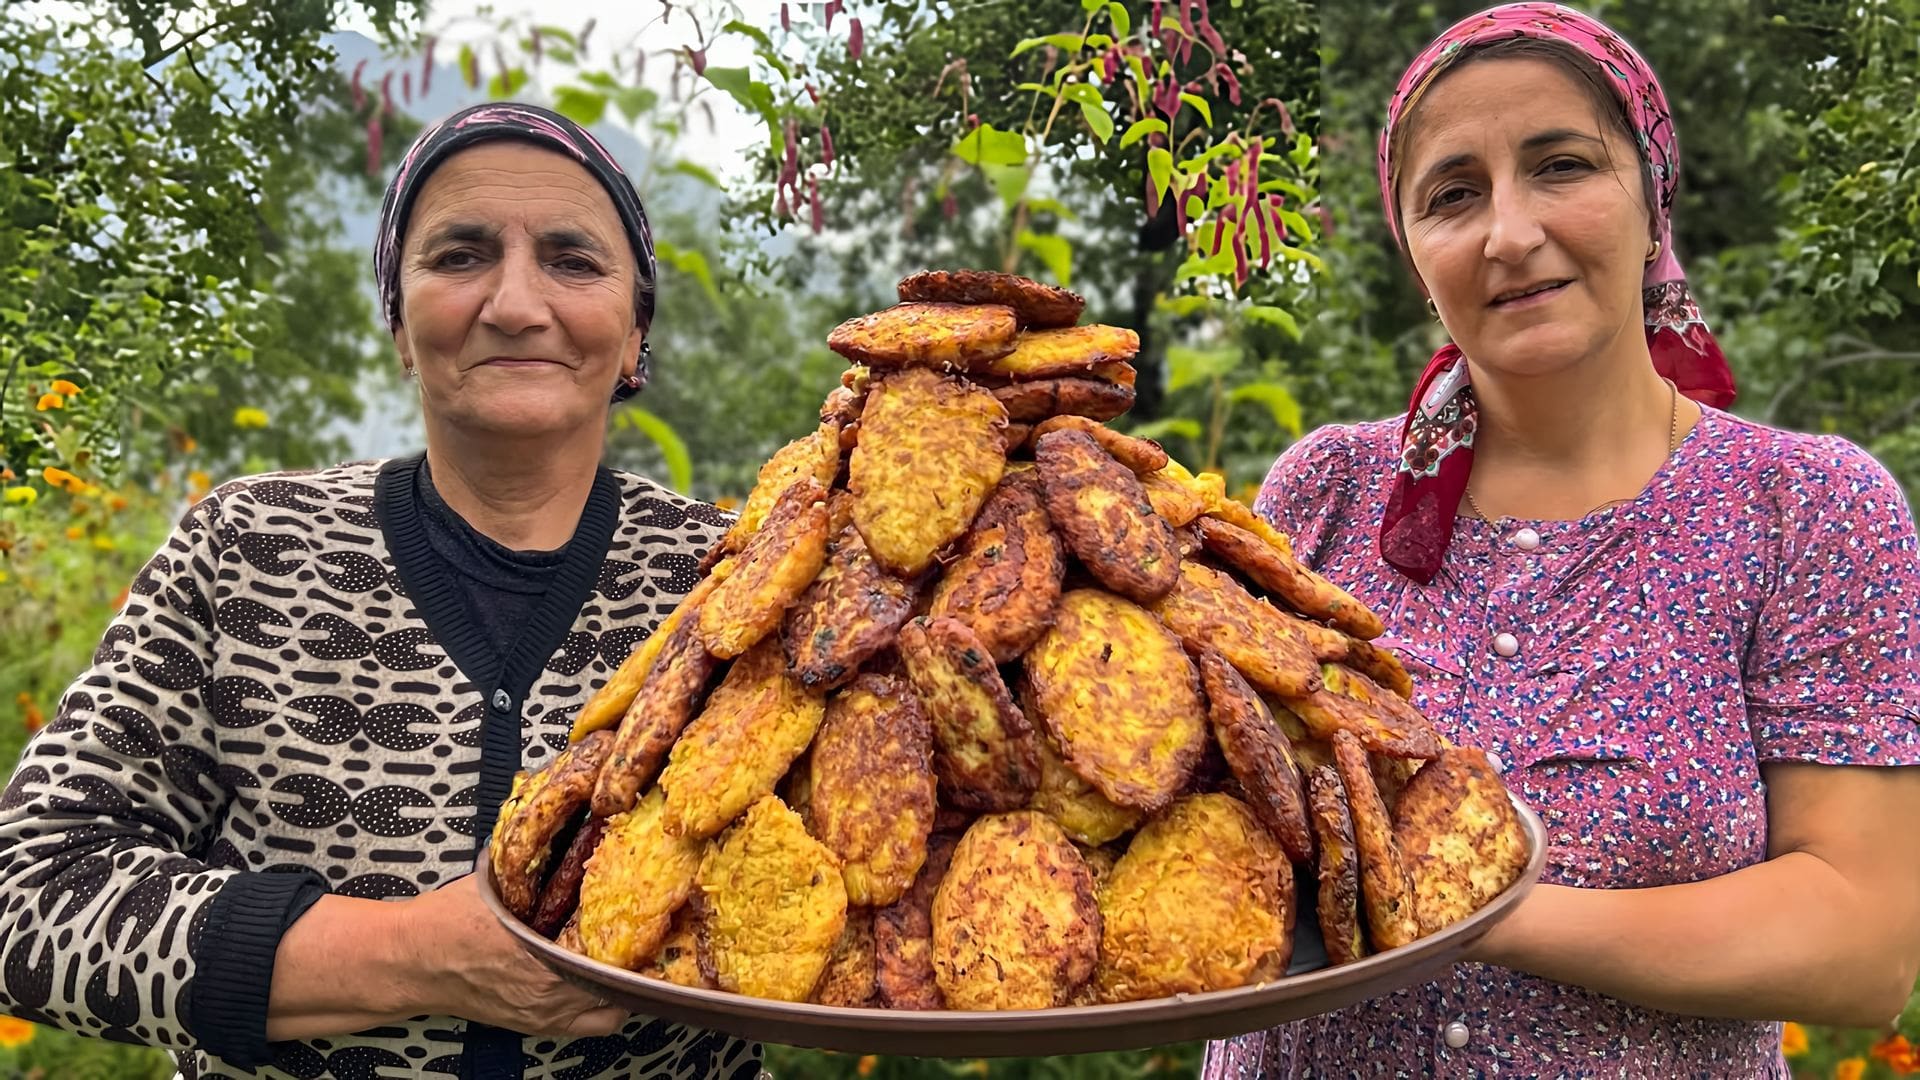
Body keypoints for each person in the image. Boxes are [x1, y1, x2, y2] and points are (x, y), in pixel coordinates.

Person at [1205, 4, 1920, 1077]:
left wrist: (1463, 908)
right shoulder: (1327, 494)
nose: (1509, 232)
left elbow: (1858, 944)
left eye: (1562, 165)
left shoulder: (1805, 510)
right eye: (1453, 194)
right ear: (1415, 253)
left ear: (1653, 201)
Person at [0, 103, 761, 1079]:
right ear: (399, 324)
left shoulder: (730, 583)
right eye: (460, 255)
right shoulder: (249, 552)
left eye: (573, 259)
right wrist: (420, 958)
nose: (518, 303)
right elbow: (29, 888)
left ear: (633, 338)